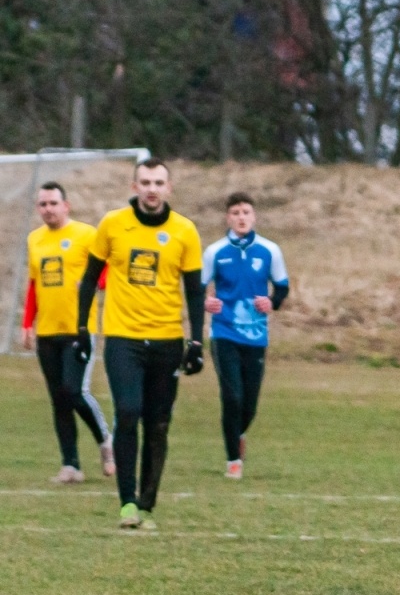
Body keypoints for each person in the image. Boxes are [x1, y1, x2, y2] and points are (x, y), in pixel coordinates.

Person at [76, 158, 206, 530]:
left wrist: (197, 341)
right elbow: (89, 279)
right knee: (128, 411)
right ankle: (127, 503)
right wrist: (82, 328)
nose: (152, 189)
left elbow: (194, 292)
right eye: (145, 182)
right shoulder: (112, 224)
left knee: (158, 423)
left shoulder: (185, 231)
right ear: (135, 187)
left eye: (158, 182)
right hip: (123, 338)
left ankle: (147, 506)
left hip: (167, 340)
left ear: (169, 187)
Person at [20, 181, 114, 484]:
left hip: (79, 330)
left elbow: (109, 271)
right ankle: (71, 465)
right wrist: (27, 324)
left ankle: (105, 441)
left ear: (66, 205)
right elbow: (34, 284)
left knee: (75, 391)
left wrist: (94, 284)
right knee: (58, 399)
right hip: (48, 332)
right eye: (43, 204)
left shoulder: (86, 235)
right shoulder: (35, 239)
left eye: (53, 203)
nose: (48, 209)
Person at [202, 191, 290, 480]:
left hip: (256, 336)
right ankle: (233, 461)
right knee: (232, 396)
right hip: (224, 332)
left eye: (246, 212)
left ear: (254, 216)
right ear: (228, 217)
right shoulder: (215, 252)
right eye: (236, 213)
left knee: (249, 404)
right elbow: (196, 288)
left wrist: (271, 302)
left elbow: (282, 287)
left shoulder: (269, 250)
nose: (241, 217)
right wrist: (206, 302)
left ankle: (238, 434)